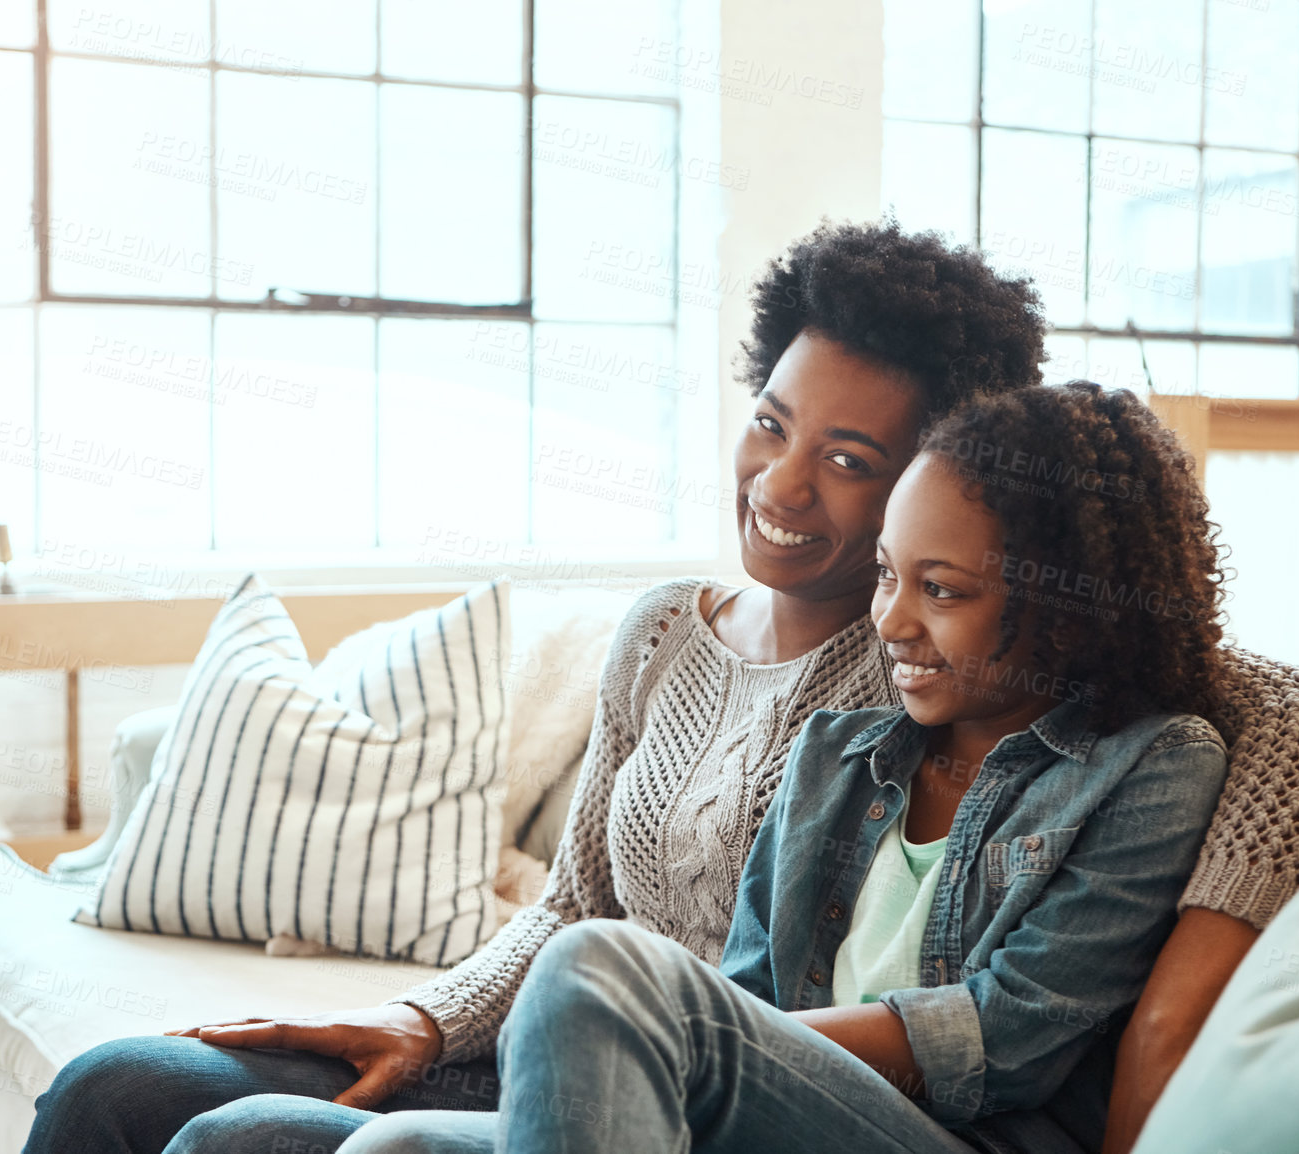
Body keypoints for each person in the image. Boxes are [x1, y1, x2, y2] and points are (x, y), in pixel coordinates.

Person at [20, 223, 1299, 1154]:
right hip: (600, 1065)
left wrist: (1176, 1008)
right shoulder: (722, 672)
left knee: (571, 994)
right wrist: (421, 1013)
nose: (787, 484)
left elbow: (1284, 712)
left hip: (713, 1068)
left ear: (966, 498)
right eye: (771, 424)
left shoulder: (984, 686)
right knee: (157, 1105)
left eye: (854, 460)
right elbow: (576, 911)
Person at [481, 380, 1232, 1153]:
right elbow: (747, 994)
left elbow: (1008, 1038)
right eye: (886, 574)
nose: (891, 620)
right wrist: (717, 1043)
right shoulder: (835, 753)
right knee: (390, 1142)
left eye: (939, 589)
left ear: (1073, 616)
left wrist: (701, 1035)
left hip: (954, 1139)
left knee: (599, 966)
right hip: (768, 1121)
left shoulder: (1151, 767)